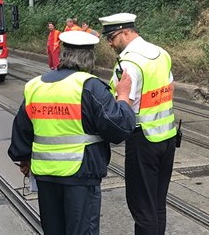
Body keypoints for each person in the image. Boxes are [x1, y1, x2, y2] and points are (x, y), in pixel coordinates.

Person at [8, 31, 136, 235]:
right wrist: (123, 97)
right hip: (80, 174)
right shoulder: (90, 86)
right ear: (90, 58)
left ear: (62, 54)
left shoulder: (35, 86)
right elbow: (119, 128)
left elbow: (22, 129)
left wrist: (24, 160)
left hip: (45, 175)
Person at [99, 12, 178, 235]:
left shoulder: (129, 62)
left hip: (143, 140)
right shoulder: (161, 53)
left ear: (125, 32)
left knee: (142, 206)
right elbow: (170, 88)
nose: (110, 43)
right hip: (168, 137)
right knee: (157, 204)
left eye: (112, 38)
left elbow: (122, 104)